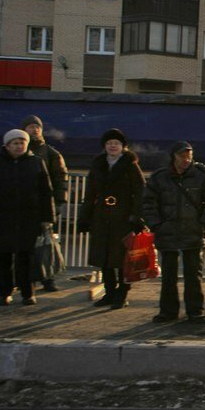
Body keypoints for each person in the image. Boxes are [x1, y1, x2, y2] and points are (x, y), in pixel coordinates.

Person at [141, 141, 205, 324]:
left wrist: (204, 225)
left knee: (193, 275)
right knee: (168, 276)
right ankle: (168, 312)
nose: (186, 160)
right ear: (173, 157)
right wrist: (156, 225)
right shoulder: (160, 177)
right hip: (168, 233)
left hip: (193, 232)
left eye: (189, 156)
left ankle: (195, 312)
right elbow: (147, 203)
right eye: (182, 156)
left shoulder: (202, 175)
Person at [0, 130, 54, 305]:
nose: (19, 146)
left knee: (26, 257)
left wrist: (47, 218)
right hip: (1, 218)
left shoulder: (36, 163)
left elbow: (46, 193)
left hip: (28, 219)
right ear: (7, 145)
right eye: (15, 143)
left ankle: (28, 293)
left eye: (22, 142)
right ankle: (4, 293)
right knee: (3, 258)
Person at [78, 129, 145, 309]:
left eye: (116, 143)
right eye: (109, 143)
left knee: (123, 257)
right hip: (101, 215)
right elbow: (90, 193)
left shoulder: (130, 165)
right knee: (105, 255)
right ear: (104, 147)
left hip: (123, 216)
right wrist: (85, 216)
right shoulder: (98, 164)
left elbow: (140, 192)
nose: (113, 146)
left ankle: (122, 294)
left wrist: (136, 215)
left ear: (123, 147)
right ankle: (109, 292)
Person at [20, 114, 67, 293]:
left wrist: (59, 203)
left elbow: (60, 179)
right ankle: (26, 281)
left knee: (47, 245)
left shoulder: (50, 152)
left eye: (37, 126)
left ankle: (48, 279)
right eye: (30, 126)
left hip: (44, 207)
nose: (34, 129)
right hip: (23, 208)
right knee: (25, 247)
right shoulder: (18, 151)